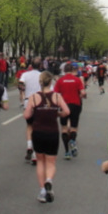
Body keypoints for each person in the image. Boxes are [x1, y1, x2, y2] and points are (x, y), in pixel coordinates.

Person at [23, 71, 70, 203]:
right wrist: (58, 114)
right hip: (52, 132)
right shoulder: (57, 96)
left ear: (40, 82)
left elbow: (26, 116)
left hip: (38, 132)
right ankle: (49, 180)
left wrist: (35, 112)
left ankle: (43, 190)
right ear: (51, 82)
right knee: (51, 162)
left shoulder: (33, 97)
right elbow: (67, 111)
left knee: (40, 162)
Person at [54, 62, 86, 159]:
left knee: (64, 128)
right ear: (72, 70)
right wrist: (79, 96)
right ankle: (72, 140)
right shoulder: (77, 80)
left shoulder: (60, 81)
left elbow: (56, 94)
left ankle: (67, 152)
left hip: (63, 105)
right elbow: (83, 93)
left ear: (64, 70)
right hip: (75, 104)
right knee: (73, 127)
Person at [19, 57, 43, 164]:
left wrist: (24, 90)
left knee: (29, 126)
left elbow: (20, 84)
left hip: (28, 101)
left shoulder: (25, 74)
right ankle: (35, 155)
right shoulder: (42, 75)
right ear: (40, 65)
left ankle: (29, 146)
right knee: (38, 127)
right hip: (39, 101)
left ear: (31, 65)